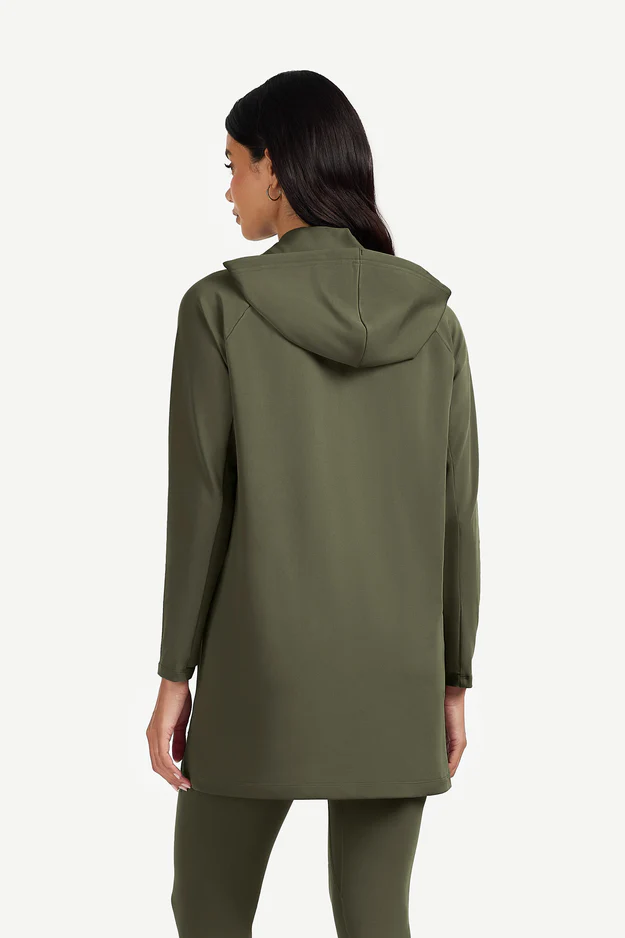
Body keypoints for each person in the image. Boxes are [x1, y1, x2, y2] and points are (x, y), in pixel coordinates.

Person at [146, 69, 481, 938]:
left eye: (232, 166)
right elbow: (456, 516)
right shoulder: (434, 322)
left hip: (260, 668)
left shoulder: (219, 308)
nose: (227, 189)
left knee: (208, 909)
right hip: (397, 672)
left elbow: (200, 506)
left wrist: (175, 674)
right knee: (376, 918)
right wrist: (451, 678)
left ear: (275, 167)